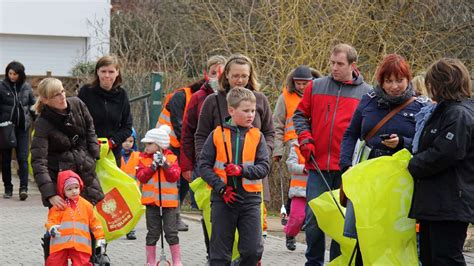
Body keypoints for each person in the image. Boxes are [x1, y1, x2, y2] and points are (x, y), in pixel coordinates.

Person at [339, 54, 428, 264]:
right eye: (389, 81)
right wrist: (346, 167)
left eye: (400, 80)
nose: (394, 86)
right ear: (381, 81)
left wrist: (402, 143)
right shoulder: (368, 100)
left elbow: (424, 143)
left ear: (408, 79)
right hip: (367, 178)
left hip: (399, 182)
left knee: (394, 236)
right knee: (364, 233)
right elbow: (351, 134)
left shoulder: (420, 106)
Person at [292, 43, 371, 265]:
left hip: (348, 169)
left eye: (340, 64)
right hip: (317, 164)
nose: (334, 68)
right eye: (332, 63)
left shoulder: (367, 93)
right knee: (314, 220)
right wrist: (305, 139)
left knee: (342, 221)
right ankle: (313, 262)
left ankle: (338, 262)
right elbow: (299, 116)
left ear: (352, 65)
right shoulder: (315, 86)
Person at [407, 58, 474, 265]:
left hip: (449, 202)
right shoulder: (448, 110)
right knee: (431, 257)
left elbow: (446, 153)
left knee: (445, 258)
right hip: (437, 201)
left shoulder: (458, 114)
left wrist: (413, 164)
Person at [195, 53, 274, 221]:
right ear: (227, 76)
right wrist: (204, 161)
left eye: (244, 76)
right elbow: (201, 134)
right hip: (220, 181)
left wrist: (263, 153)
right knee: (219, 232)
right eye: (236, 76)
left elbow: (269, 132)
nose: (240, 80)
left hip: (253, 178)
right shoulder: (213, 101)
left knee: (253, 235)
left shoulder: (260, 99)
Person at [198, 87, 270, 265]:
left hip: (251, 201)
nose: (251, 115)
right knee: (219, 255)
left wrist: (242, 170)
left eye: (253, 110)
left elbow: (264, 167)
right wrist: (221, 187)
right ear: (231, 110)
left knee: (253, 252)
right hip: (223, 200)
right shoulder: (216, 135)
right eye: (245, 111)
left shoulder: (257, 136)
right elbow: (204, 166)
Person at [31, 78, 104, 208]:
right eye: (56, 95)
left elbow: (90, 127)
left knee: (91, 221)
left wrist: (94, 153)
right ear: (45, 100)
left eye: (63, 91)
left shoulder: (78, 104)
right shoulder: (42, 124)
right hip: (63, 180)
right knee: (64, 225)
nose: (62, 96)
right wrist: (50, 194)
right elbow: (38, 161)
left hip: (86, 171)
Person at [159, 78, 206, 232]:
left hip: (184, 146)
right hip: (169, 146)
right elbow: (180, 126)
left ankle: (173, 215)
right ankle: (172, 217)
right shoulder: (181, 96)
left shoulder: (202, 99)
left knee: (185, 181)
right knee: (175, 183)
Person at [136, 125, 182, 266]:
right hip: (151, 203)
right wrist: (153, 167)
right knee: (153, 233)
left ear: (159, 144)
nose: (146, 147)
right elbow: (141, 177)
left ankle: (176, 260)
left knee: (171, 232)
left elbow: (174, 176)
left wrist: (165, 165)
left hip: (168, 204)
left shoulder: (172, 158)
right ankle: (150, 261)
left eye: (150, 143)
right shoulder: (143, 159)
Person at [78, 55, 133, 167]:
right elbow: (77, 121)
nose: (107, 75)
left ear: (117, 73)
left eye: (111, 71)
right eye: (103, 71)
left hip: (112, 154)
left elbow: (127, 126)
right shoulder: (86, 92)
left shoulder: (122, 95)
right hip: (88, 153)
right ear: (97, 72)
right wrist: (92, 141)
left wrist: (112, 142)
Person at [45, 170, 105, 266]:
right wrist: (51, 227)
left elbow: (95, 223)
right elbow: (51, 220)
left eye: (76, 187)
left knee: (82, 264)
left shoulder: (87, 205)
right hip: (60, 244)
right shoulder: (59, 205)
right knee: (55, 263)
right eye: (69, 189)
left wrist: (100, 238)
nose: (74, 191)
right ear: (63, 191)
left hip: (81, 245)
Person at [0, 61, 35, 200]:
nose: (12, 76)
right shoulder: (1, 87)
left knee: (22, 158)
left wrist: (38, 119)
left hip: (23, 128)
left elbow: (33, 105)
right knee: (6, 160)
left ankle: (24, 188)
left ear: (20, 74)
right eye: (10, 73)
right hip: (6, 128)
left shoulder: (26, 87)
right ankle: (8, 188)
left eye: (15, 74)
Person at [272, 65, 321, 161]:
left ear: (311, 81)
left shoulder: (321, 94)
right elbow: (277, 124)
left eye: (304, 83)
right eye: (298, 83)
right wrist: (278, 150)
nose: (301, 87)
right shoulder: (285, 97)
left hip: (316, 145)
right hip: (292, 146)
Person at [284, 143, 308, 251]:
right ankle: (290, 234)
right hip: (299, 191)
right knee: (297, 218)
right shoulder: (296, 147)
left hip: (316, 190)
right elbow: (290, 165)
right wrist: (304, 168)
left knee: (314, 222)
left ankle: (312, 242)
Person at [120, 128, 140, 240]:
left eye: (130, 141)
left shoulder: (138, 156)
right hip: (121, 189)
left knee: (132, 210)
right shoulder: (117, 156)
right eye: (125, 141)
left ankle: (131, 230)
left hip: (133, 189)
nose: (128, 144)